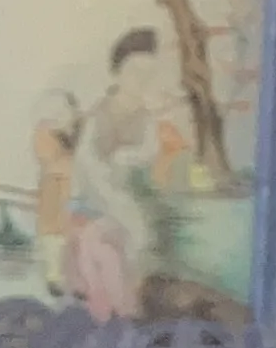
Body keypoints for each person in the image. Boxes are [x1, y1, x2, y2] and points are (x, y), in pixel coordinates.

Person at [63, 27, 172, 321]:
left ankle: (123, 313)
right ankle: (107, 313)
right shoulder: (98, 114)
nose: (140, 81)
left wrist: (127, 158)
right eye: (134, 72)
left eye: (148, 74)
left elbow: (150, 151)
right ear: (117, 72)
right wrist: (102, 181)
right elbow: (84, 162)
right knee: (94, 245)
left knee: (119, 244)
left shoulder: (146, 118)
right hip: (93, 203)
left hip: (126, 203)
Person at [29, 90, 79, 297]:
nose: (63, 113)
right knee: (53, 235)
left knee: (75, 233)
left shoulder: (75, 131)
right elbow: (48, 160)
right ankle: (54, 278)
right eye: (59, 109)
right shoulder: (44, 131)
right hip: (53, 189)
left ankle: (77, 280)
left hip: (73, 189)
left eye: (67, 109)